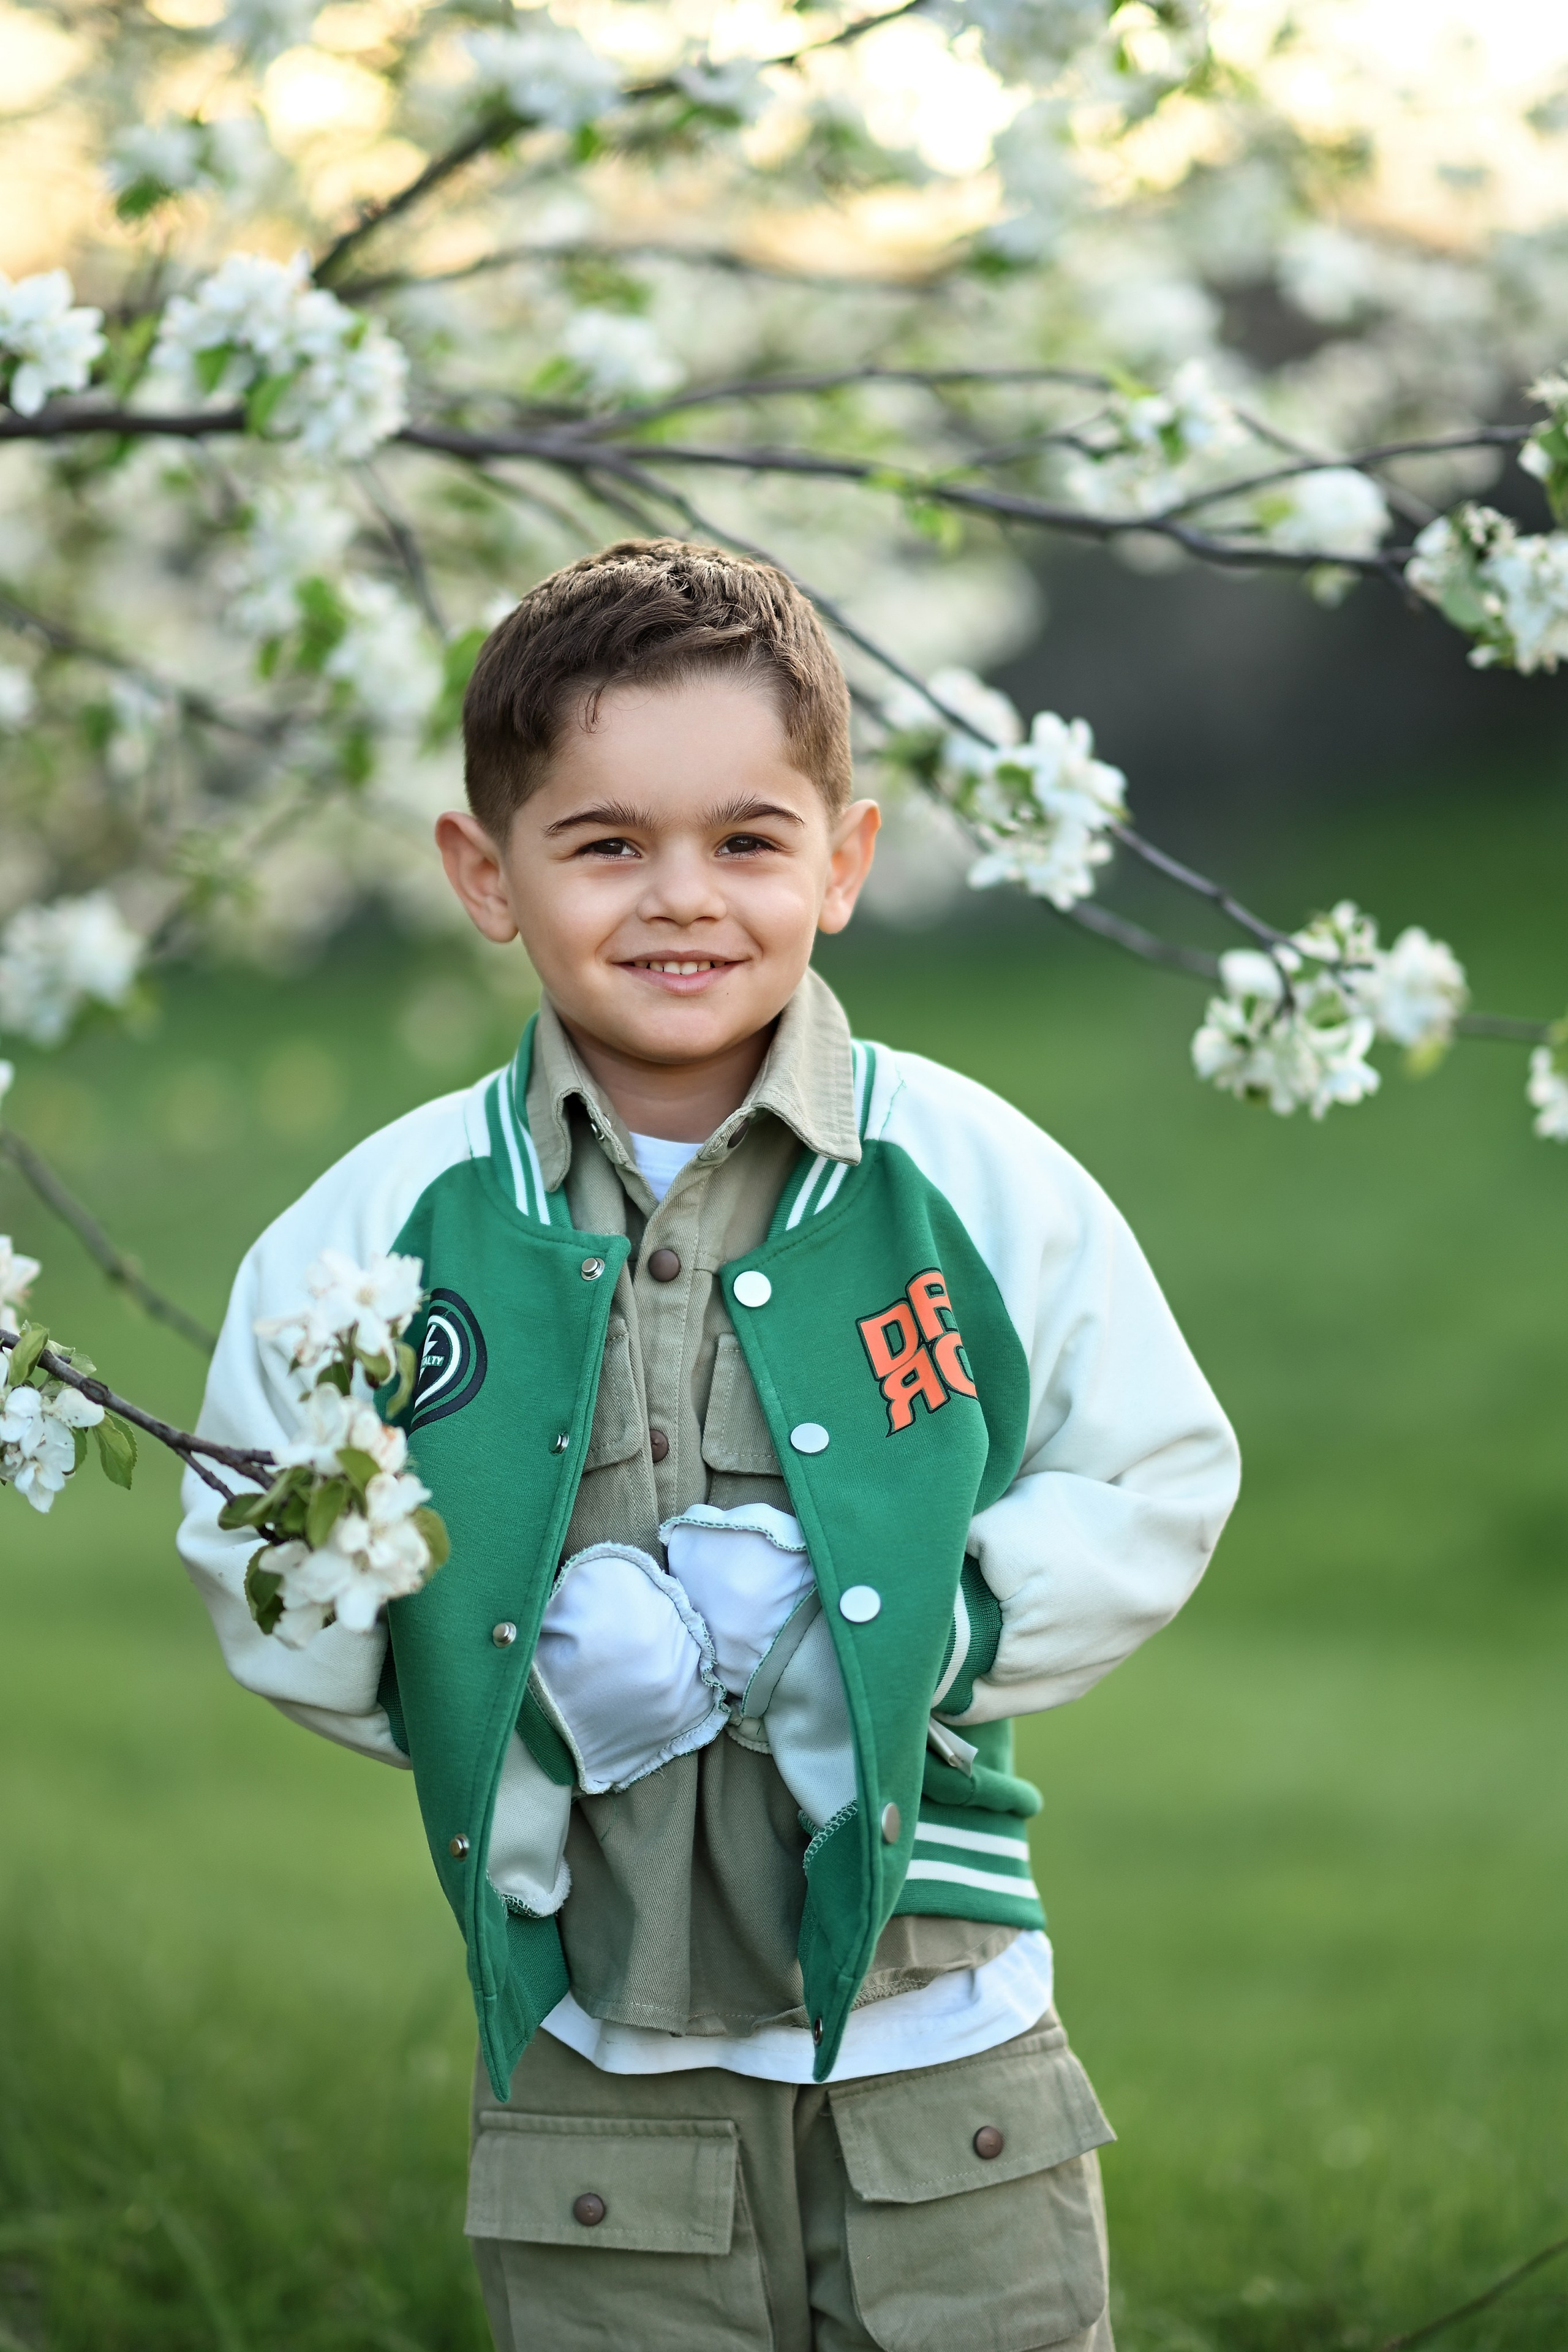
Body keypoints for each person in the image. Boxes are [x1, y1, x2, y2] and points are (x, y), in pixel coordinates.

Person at [179, 540, 1240, 2352]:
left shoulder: (969, 1179)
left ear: (844, 859)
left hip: (946, 2043)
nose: (682, 900)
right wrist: (496, 1672)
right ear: (484, 872)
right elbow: (258, 1544)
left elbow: (1155, 1473)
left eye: (747, 841)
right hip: (597, 2043)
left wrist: (911, 1628)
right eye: (605, 844)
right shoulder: (385, 1230)